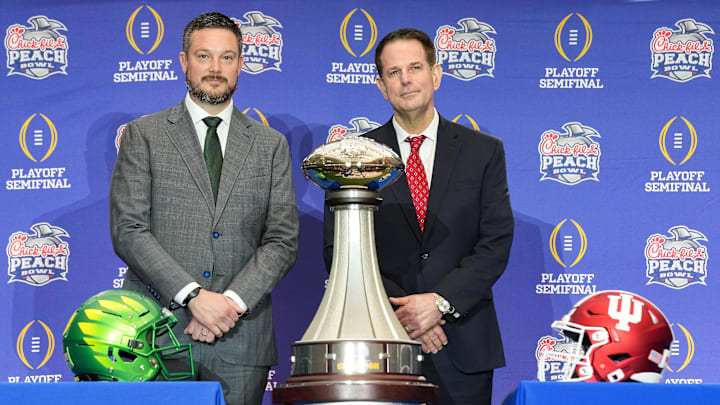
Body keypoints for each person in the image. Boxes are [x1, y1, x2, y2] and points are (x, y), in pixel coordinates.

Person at [110, 12, 299, 405]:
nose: (215, 69)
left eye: (227, 58)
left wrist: (229, 303)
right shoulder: (144, 135)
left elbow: (281, 240)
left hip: (241, 337)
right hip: (157, 335)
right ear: (184, 62)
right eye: (204, 56)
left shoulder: (271, 145)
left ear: (241, 65)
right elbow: (129, 230)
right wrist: (194, 296)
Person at [323, 28, 513, 404]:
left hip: (464, 344)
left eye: (415, 67)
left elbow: (495, 242)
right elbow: (339, 251)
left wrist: (439, 302)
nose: (406, 79)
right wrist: (405, 314)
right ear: (381, 85)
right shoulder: (351, 159)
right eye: (394, 72)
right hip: (383, 342)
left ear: (436, 75)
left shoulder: (483, 151)